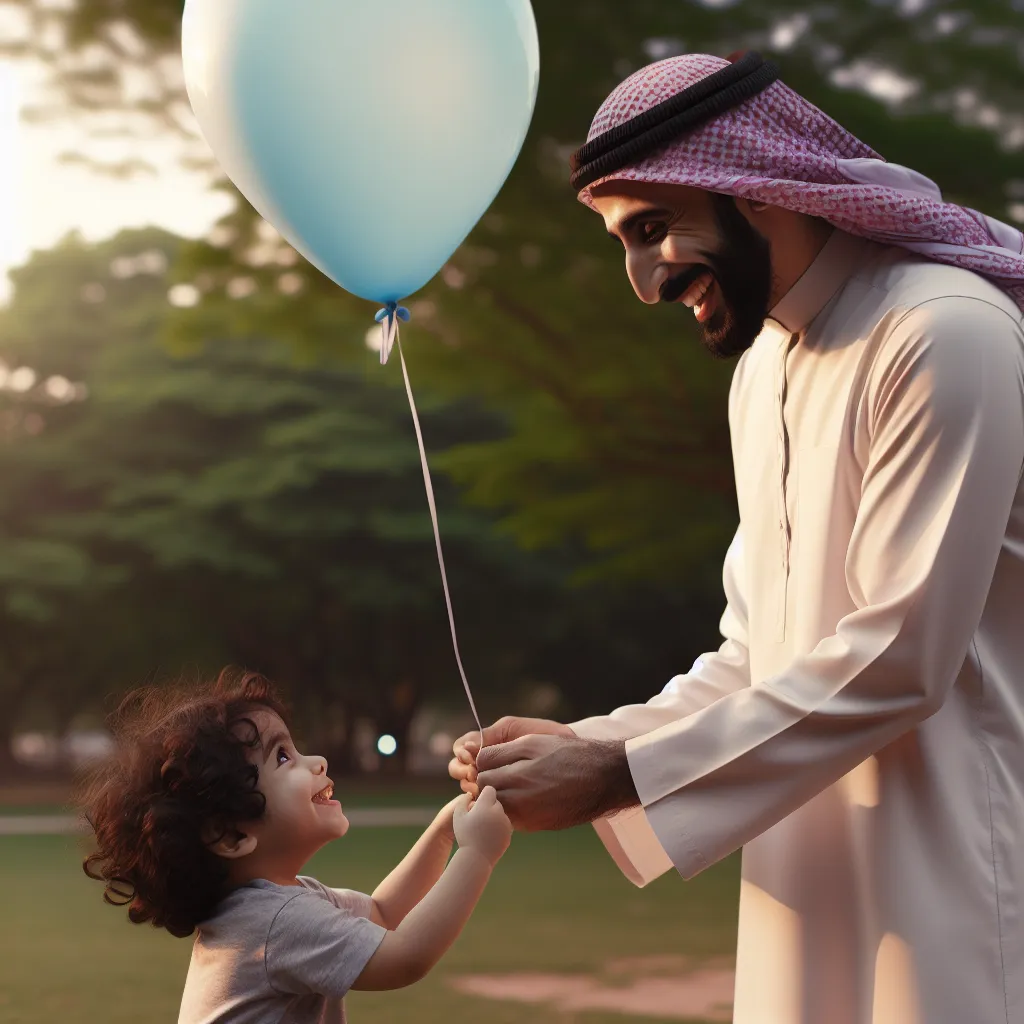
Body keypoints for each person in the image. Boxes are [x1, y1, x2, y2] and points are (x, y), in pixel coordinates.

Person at [450, 51, 1024, 1024]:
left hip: (959, 860)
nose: (643, 280)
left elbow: (898, 658)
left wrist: (614, 775)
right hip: (799, 863)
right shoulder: (762, 372)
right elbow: (757, 656)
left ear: (754, 191)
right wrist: (588, 741)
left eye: (652, 230)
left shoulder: (942, 330)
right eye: (622, 244)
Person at [81, 668, 510, 1023]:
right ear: (231, 836)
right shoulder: (278, 922)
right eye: (282, 757)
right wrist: (477, 855)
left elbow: (383, 914)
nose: (317, 761)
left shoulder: (276, 906)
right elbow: (405, 958)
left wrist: (445, 828)